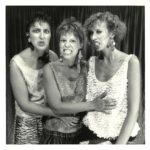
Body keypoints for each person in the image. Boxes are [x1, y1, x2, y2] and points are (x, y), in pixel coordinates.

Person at [40, 17, 117, 144]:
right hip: (54, 136)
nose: (66, 44)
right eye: (63, 40)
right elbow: (57, 107)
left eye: (72, 41)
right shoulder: (50, 69)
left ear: (80, 44)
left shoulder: (87, 67)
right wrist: (92, 105)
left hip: (80, 135)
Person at [9, 12, 75, 144]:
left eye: (46, 31)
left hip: (49, 120)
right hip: (27, 123)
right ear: (28, 35)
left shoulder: (53, 57)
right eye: (36, 31)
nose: (41, 36)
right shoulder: (16, 63)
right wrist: (58, 113)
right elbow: (25, 105)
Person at [82, 11, 141, 144]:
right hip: (90, 134)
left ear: (112, 34)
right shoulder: (90, 63)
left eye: (98, 32)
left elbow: (133, 111)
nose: (93, 37)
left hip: (122, 137)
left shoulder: (130, 62)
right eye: (91, 33)